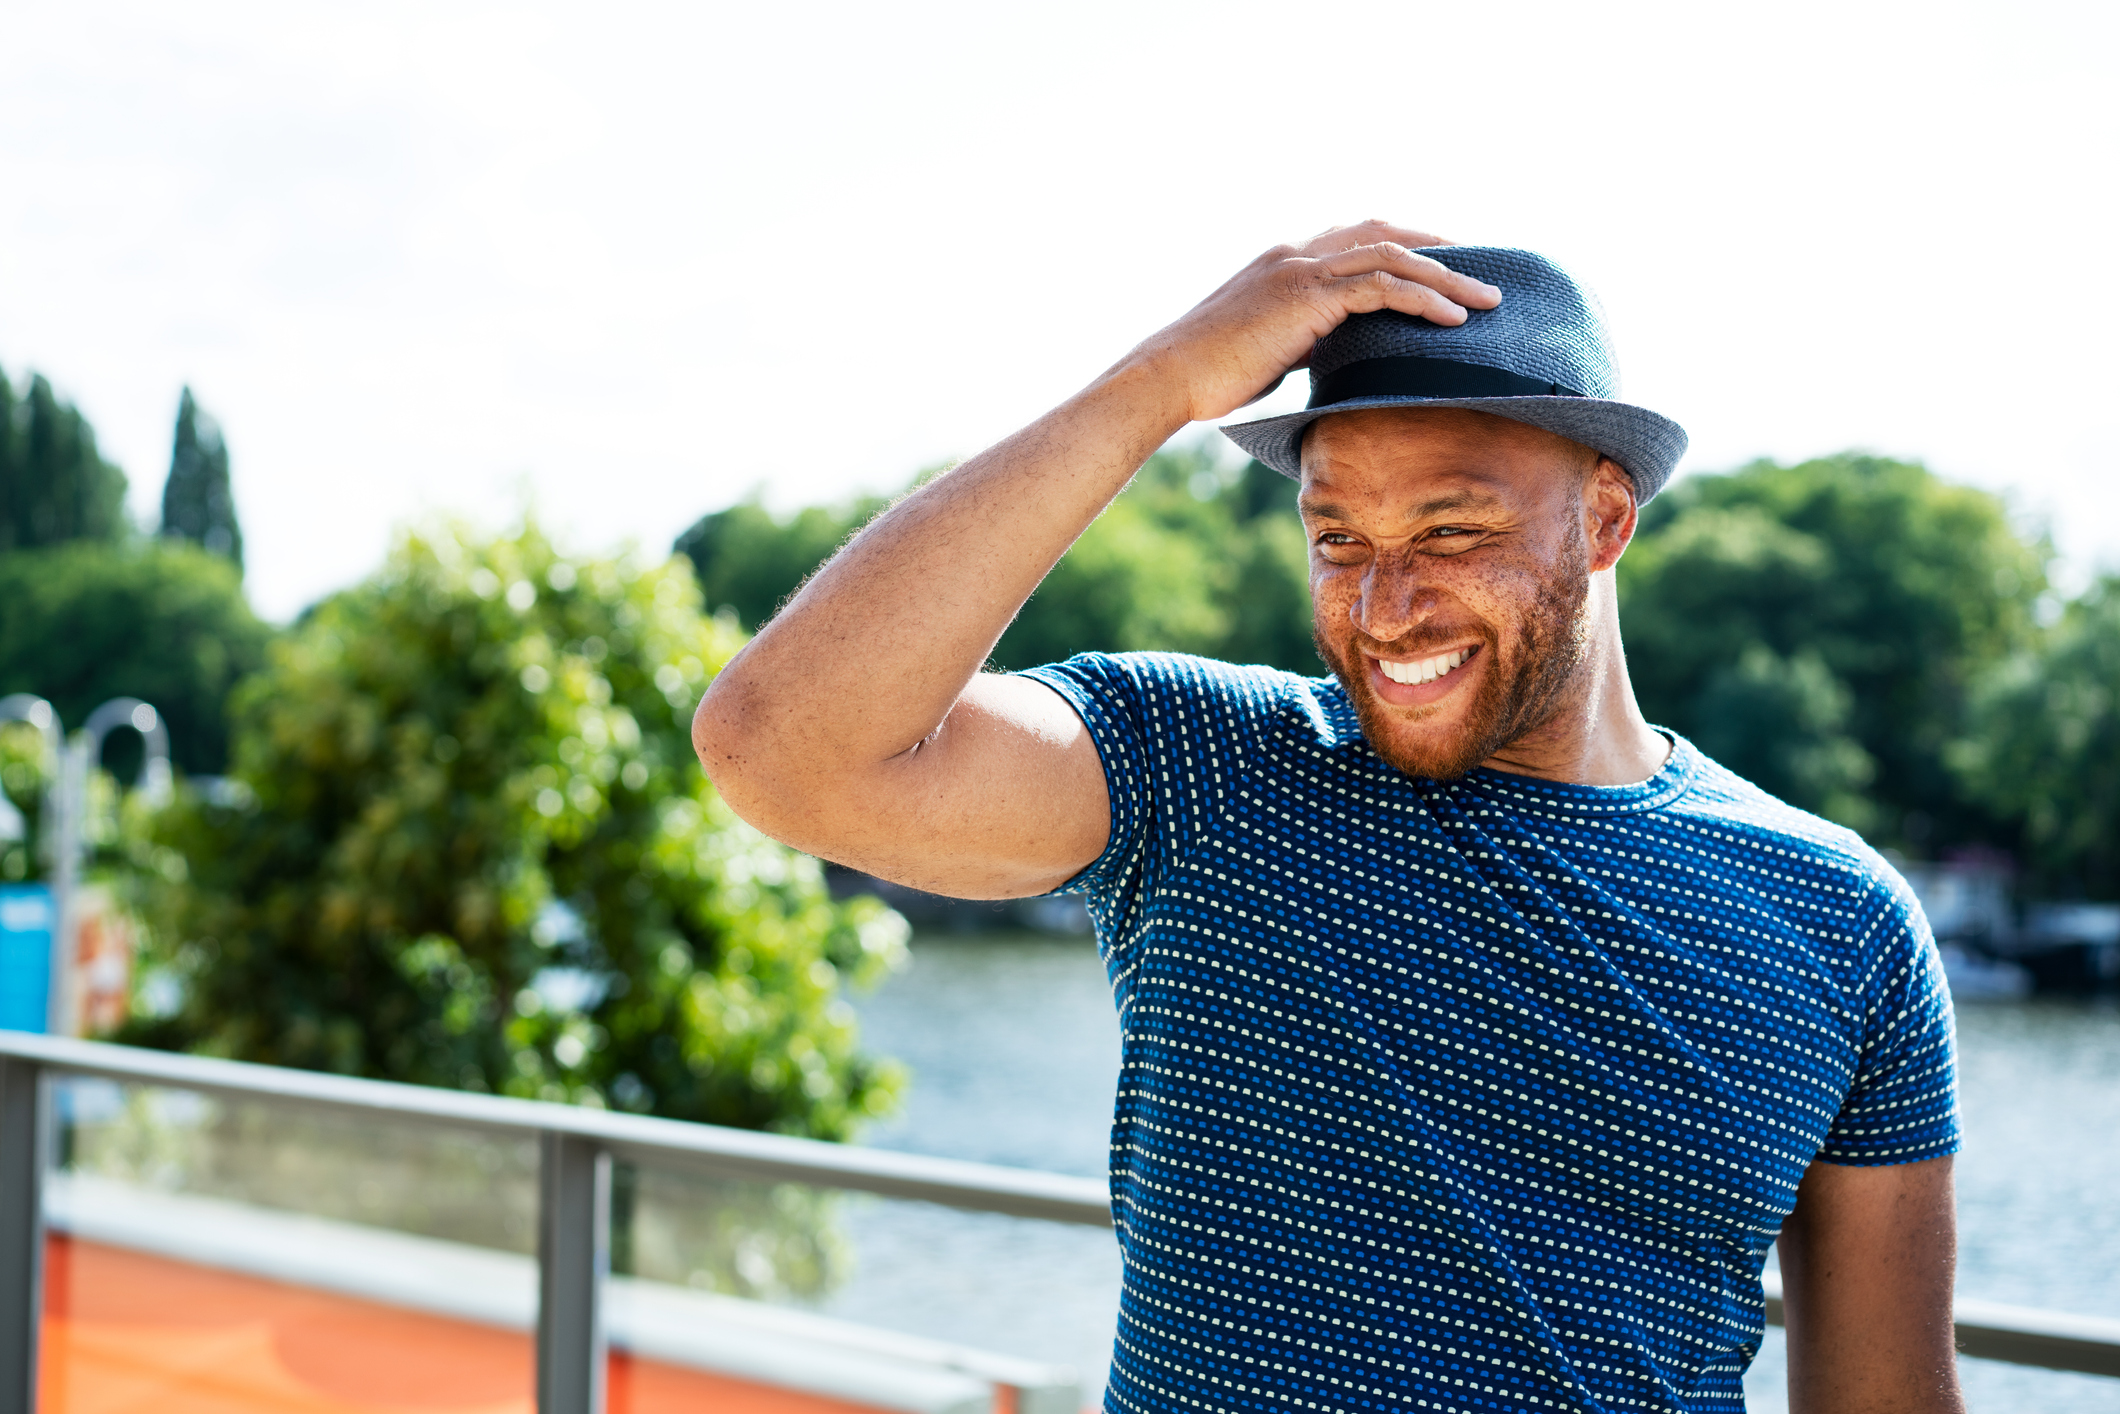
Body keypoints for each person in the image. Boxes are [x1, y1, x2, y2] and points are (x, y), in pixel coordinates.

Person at [692, 222, 1963, 1414]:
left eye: (1450, 529)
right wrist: (1158, 384)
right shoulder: (1196, 765)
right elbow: (780, 751)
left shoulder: (1839, 918)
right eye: (1337, 536)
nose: (1385, 605)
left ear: (1606, 518)